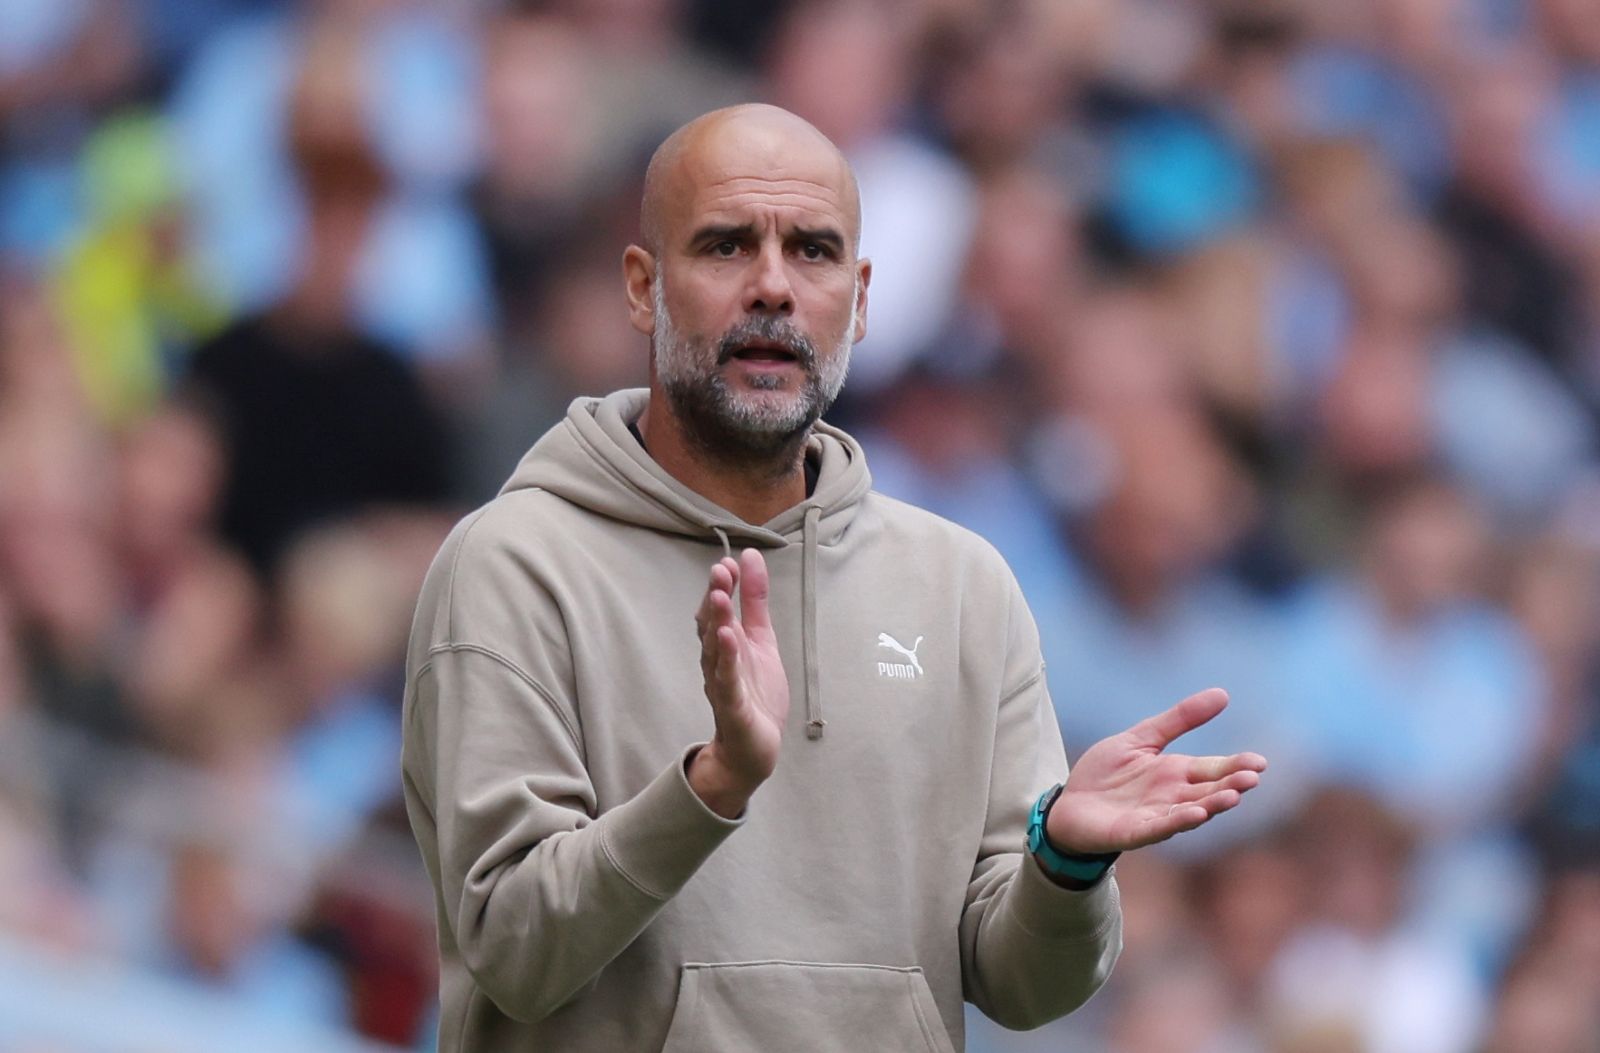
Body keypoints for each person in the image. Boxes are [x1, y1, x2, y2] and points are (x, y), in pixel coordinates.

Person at [400, 104, 1267, 1053]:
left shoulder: (962, 584)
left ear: (858, 300)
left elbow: (1024, 987)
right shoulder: (515, 564)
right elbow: (516, 951)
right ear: (644, 289)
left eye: (811, 252)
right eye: (727, 247)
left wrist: (1063, 863)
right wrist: (712, 786)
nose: (772, 285)